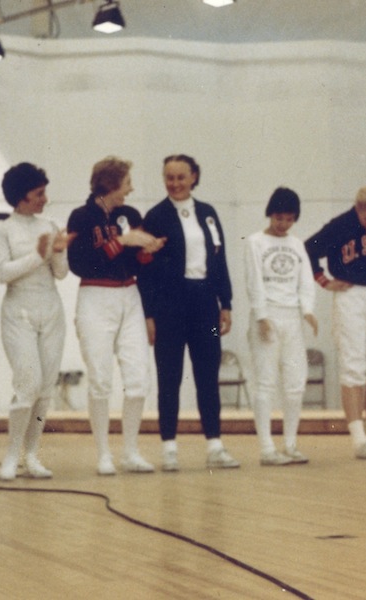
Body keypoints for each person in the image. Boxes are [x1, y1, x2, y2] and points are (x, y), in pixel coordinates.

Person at [137, 154, 239, 471]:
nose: (175, 183)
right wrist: (149, 314)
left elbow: (219, 260)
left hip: (206, 308)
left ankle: (215, 446)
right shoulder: (154, 216)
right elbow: (146, 271)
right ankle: (169, 448)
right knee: (170, 376)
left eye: (181, 177)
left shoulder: (208, 214)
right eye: (169, 177)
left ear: (194, 176)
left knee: (208, 373)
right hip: (170, 308)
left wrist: (227, 303)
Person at [67, 157, 165, 476]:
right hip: (95, 298)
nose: (131, 188)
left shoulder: (131, 215)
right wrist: (122, 241)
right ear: (110, 185)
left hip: (130, 297)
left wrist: (148, 251)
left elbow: (138, 264)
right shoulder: (80, 217)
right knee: (101, 381)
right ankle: (103, 454)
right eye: (127, 183)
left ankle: (131, 452)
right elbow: (80, 264)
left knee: (138, 381)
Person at [304, 185, 366, 460]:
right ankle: (359, 439)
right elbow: (307, 250)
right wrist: (324, 281)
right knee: (353, 366)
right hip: (351, 295)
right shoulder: (339, 225)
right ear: (357, 208)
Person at [0, 162, 73, 481]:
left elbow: (61, 273)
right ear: (22, 196)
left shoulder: (49, 225)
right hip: (18, 311)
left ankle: (32, 455)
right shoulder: (2, 230)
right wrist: (39, 254)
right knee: (28, 383)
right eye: (39, 193)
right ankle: (11, 455)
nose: (44, 198)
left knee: (46, 387)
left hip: (50, 309)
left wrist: (59, 252)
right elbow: (3, 273)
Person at [244, 187, 318, 466]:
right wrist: (262, 315)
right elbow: (254, 281)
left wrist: (308, 310)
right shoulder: (255, 242)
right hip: (268, 315)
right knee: (264, 382)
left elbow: (306, 281)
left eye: (288, 219)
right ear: (270, 214)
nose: (282, 223)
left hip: (293, 317)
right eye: (278, 217)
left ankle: (290, 444)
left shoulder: (297, 244)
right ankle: (266, 448)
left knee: (295, 382)